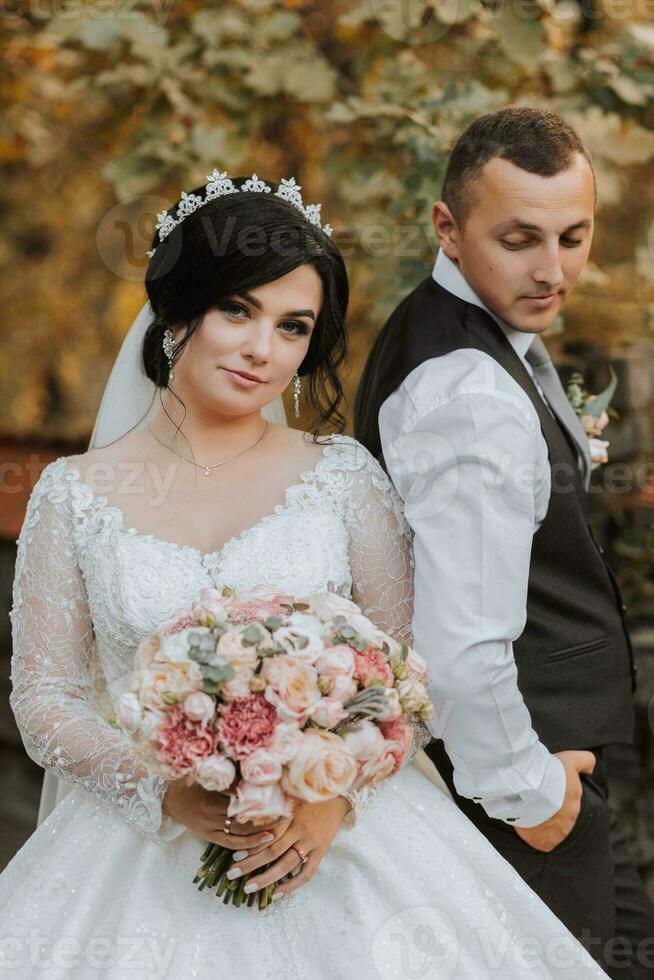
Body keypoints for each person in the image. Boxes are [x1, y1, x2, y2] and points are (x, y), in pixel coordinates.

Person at [2, 171, 608, 979]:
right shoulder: (73, 495)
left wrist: (333, 796)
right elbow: (46, 700)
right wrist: (163, 791)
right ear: (179, 309)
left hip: (355, 844)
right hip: (141, 846)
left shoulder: (343, 476)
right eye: (238, 310)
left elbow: (406, 675)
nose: (263, 349)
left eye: (294, 327)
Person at [354, 107, 654, 978]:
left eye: (574, 235)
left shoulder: (469, 340)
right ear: (446, 227)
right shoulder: (469, 394)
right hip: (517, 792)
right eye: (520, 238)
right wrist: (537, 798)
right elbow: (461, 649)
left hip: (532, 779)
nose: (553, 269)